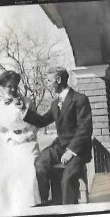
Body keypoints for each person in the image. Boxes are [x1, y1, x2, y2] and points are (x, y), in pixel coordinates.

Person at [22, 67, 94, 206]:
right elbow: (42, 121)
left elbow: (84, 129)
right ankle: (45, 201)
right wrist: (24, 110)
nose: (47, 84)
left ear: (58, 80)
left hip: (78, 149)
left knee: (67, 179)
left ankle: (69, 213)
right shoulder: (55, 103)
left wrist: (71, 152)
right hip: (60, 146)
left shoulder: (80, 99)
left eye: (49, 80)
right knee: (40, 163)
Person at [0, 71, 41, 217]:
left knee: (27, 166)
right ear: (2, 88)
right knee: (4, 169)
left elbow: (35, 125)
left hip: (27, 143)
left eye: (15, 86)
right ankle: (6, 210)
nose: (13, 90)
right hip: (8, 144)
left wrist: (25, 137)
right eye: (9, 87)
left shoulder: (27, 102)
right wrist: (8, 137)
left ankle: (28, 208)